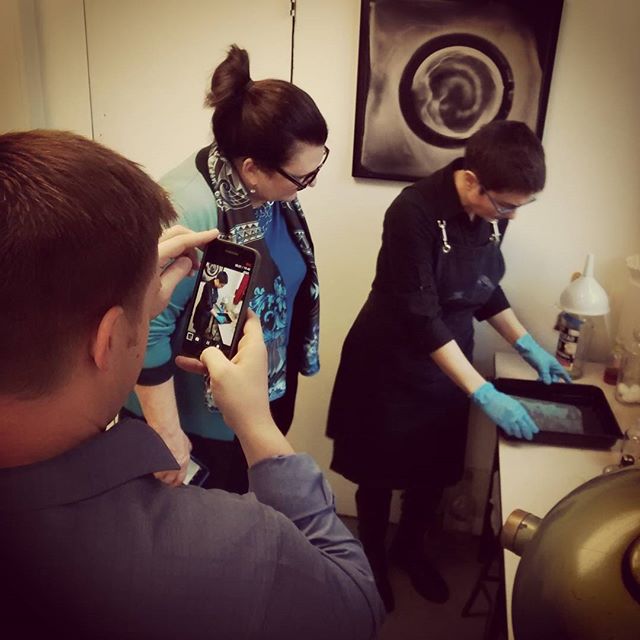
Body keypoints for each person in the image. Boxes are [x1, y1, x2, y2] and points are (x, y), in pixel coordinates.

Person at [0, 129, 384, 639]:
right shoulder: (231, 547)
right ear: (109, 338)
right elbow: (358, 605)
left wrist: (133, 299)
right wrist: (258, 429)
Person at [326, 120, 570, 612]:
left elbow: (485, 288)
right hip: (389, 360)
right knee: (377, 471)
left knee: (431, 471)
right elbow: (420, 314)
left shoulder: (493, 216)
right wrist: (482, 391)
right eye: (505, 204)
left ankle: (410, 550)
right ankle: (371, 555)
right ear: (471, 179)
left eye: (520, 207)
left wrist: (527, 345)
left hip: (448, 360)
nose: (510, 217)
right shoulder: (412, 211)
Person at [123, 44, 329, 492]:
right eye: (302, 178)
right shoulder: (188, 209)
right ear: (252, 168)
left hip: (258, 397)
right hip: (199, 425)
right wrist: (166, 434)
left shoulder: (264, 196)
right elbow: (147, 329)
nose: (308, 186)